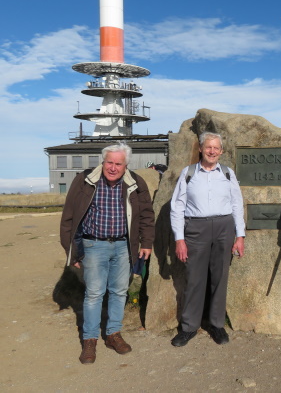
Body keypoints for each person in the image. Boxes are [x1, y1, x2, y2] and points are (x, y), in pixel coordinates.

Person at [60, 142, 155, 364]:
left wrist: (146, 243)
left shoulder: (136, 183)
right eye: (109, 162)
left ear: (126, 164)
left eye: (118, 164)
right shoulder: (84, 181)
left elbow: (147, 216)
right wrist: (72, 252)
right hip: (93, 245)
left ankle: (113, 333)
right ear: (103, 162)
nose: (113, 168)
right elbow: (68, 217)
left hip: (124, 246)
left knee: (119, 291)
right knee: (94, 293)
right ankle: (90, 339)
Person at [169, 132, 246, 347]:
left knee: (220, 278)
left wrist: (240, 236)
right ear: (201, 149)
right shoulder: (189, 173)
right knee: (195, 279)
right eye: (208, 147)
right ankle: (189, 327)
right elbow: (177, 208)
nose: (212, 151)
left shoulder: (228, 174)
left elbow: (237, 206)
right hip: (196, 229)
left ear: (221, 151)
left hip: (224, 228)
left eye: (216, 148)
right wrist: (179, 239)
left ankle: (216, 324)